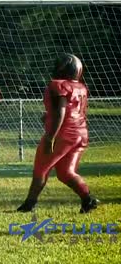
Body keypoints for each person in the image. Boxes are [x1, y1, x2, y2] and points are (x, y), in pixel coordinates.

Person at [17, 53, 98, 213]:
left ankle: (29, 204)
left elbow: (61, 112)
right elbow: (70, 109)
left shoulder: (58, 84)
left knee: (41, 168)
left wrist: (49, 138)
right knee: (65, 172)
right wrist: (49, 116)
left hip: (64, 133)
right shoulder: (80, 87)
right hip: (80, 133)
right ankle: (88, 199)